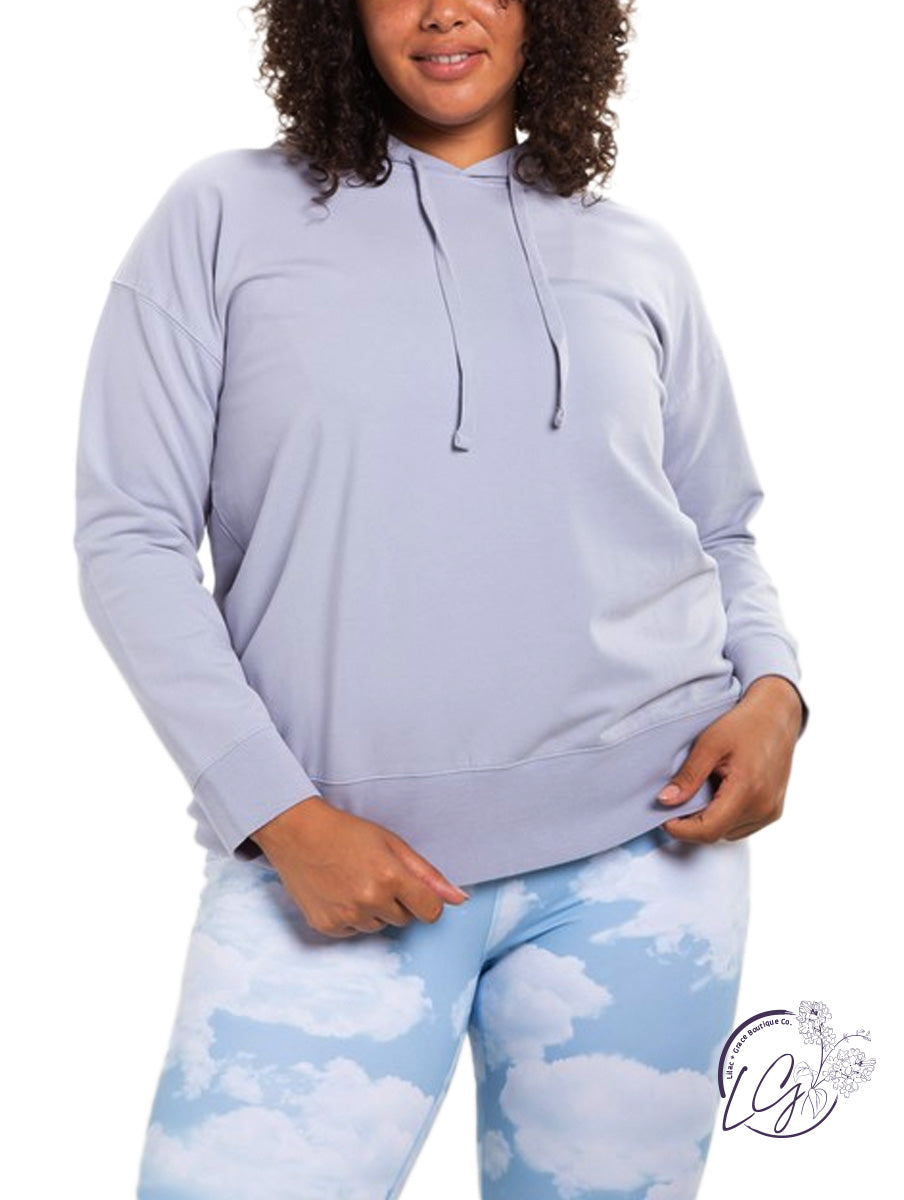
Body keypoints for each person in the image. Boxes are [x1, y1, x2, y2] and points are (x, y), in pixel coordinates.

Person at [72, 1, 809, 1196]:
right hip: (331, 866)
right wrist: (281, 817)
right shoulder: (221, 217)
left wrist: (776, 691)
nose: (443, 10)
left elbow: (718, 523)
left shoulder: (635, 253)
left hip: (649, 857)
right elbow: (131, 536)